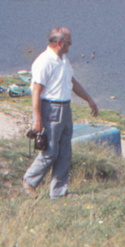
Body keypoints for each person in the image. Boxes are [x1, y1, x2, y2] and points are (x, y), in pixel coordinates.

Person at [22, 27, 99, 199]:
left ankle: (58, 194)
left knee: (64, 153)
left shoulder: (63, 60)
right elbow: (36, 91)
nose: (70, 46)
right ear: (59, 43)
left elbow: (72, 82)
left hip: (65, 108)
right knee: (50, 152)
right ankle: (29, 181)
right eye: (69, 43)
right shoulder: (44, 61)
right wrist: (37, 119)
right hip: (50, 109)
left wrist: (89, 99)